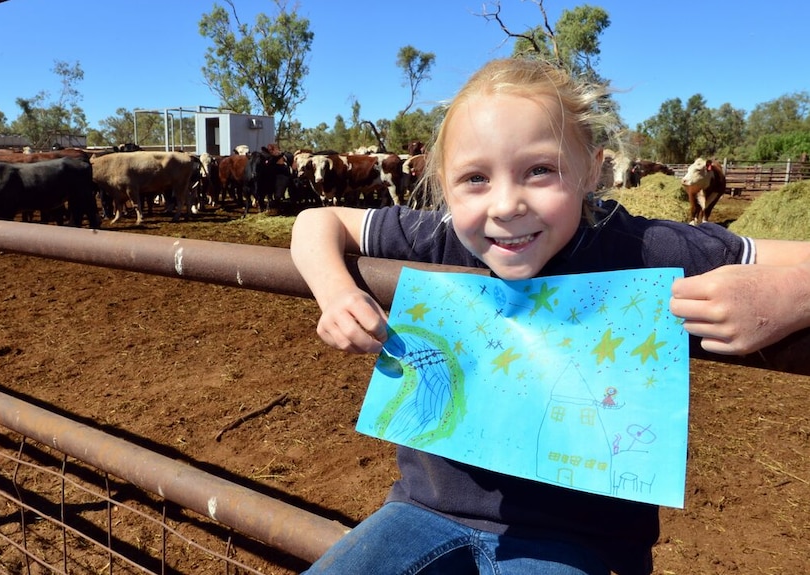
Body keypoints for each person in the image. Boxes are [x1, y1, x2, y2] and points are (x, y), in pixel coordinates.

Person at [289, 57, 810, 575]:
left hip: (577, 544)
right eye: (474, 178)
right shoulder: (439, 237)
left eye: (540, 171)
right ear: (442, 183)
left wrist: (789, 294)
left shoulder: (647, 249)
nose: (506, 205)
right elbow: (319, 219)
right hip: (420, 510)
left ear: (590, 168)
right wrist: (335, 292)